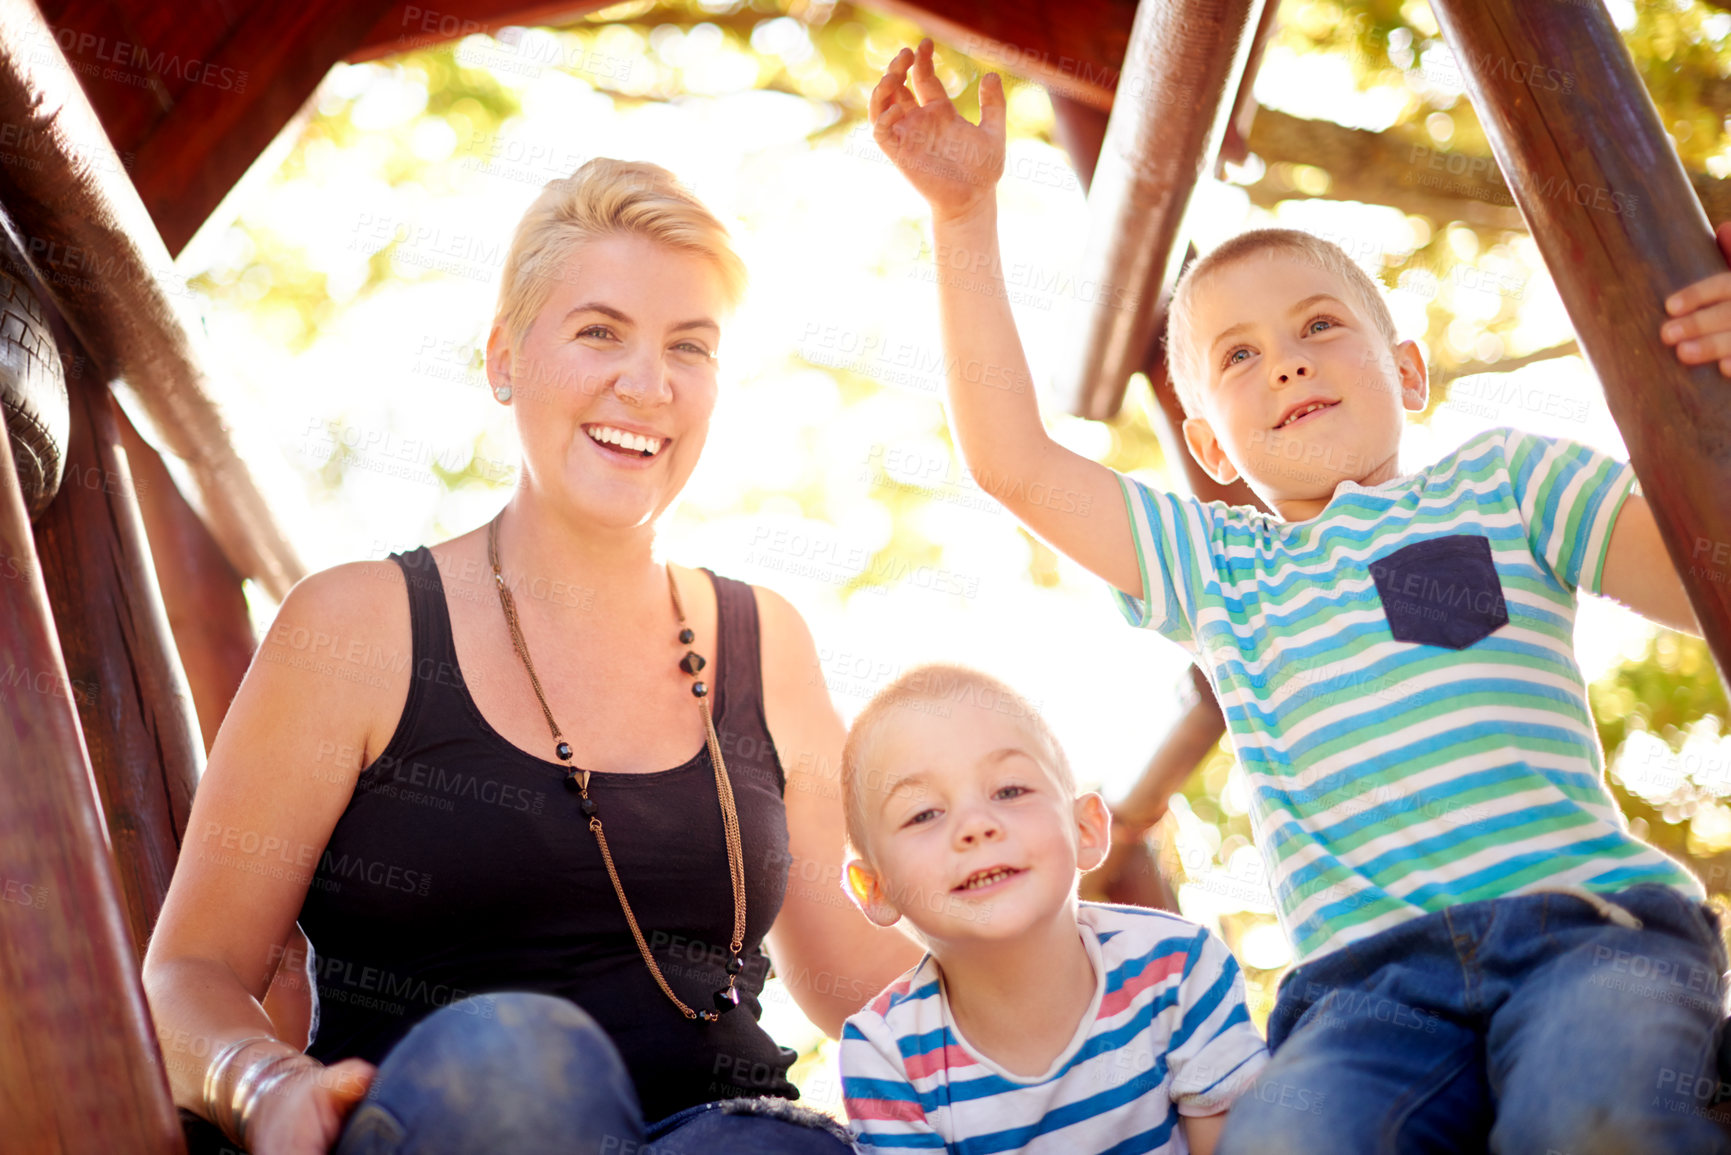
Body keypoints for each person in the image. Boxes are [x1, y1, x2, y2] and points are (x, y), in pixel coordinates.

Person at [869, 38, 1731, 1154]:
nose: (1285, 362)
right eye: (1236, 357)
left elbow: (1700, 575)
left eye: (1321, 326)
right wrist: (961, 217)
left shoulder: (1511, 481)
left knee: (1602, 1117)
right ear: (1207, 445)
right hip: (1366, 995)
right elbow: (1013, 463)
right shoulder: (1220, 568)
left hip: (1583, 930)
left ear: (1407, 372)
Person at [142, 157, 920, 1155]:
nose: (647, 384)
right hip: (461, 1119)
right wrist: (262, 1082)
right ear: (504, 358)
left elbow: (857, 980)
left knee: (780, 1148)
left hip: (717, 1134)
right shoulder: (358, 625)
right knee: (519, 1059)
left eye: (691, 347)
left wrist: (1064, 975)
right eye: (601, 332)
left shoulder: (766, 642)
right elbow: (188, 973)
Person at [836, 665, 1266, 1154]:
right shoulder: (886, 1055)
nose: (976, 825)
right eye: (924, 814)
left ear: (1084, 829)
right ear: (874, 888)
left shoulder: (1180, 969)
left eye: (1009, 791)